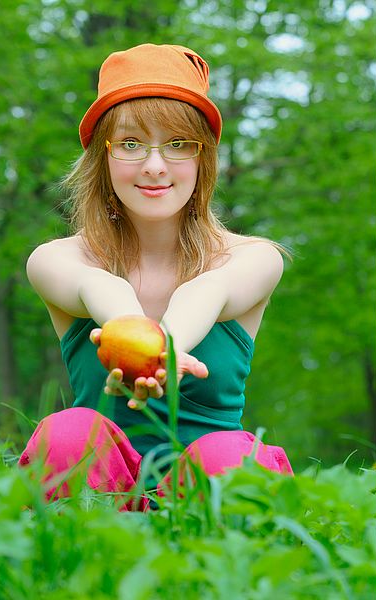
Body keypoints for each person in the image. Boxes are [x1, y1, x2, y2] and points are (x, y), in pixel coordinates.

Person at [19, 43, 293, 511]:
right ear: (101, 157)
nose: (154, 165)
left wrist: (163, 350)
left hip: (209, 495)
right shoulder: (57, 259)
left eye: (177, 143)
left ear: (203, 157)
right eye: (130, 143)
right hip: (98, 493)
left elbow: (209, 290)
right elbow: (99, 287)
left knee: (227, 456)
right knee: (68, 432)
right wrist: (135, 342)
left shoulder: (255, 258)